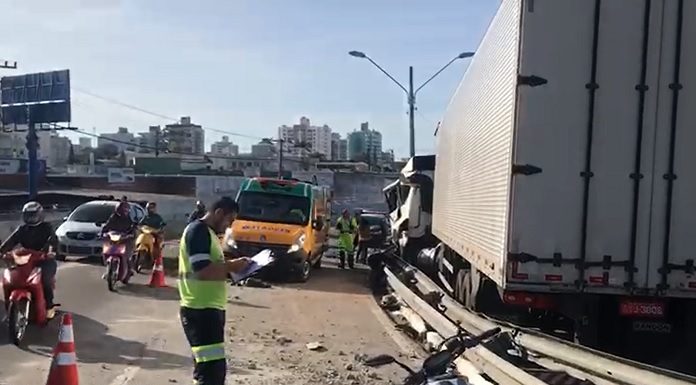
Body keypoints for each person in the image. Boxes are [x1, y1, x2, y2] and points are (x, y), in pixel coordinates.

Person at [178, 197, 250, 385]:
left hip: (208, 308)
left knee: (208, 370)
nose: (229, 226)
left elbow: (213, 270)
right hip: (200, 311)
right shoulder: (198, 232)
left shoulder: (208, 234)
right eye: (229, 220)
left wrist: (234, 270)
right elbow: (202, 271)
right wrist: (231, 266)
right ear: (219, 213)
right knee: (211, 373)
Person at [0, 201, 59, 319]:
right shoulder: (21, 229)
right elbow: (10, 242)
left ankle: (49, 305)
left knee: (46, 280)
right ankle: (9, 308)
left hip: (44, 260)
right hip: (25, 260)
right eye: (29, 215)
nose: (31, 218)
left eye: (34, 215)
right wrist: (2, 251)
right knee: (10, 278)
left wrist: (51, 252)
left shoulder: (46, 228)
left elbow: (53, 242)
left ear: (40, 215)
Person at [101, 201, 137, 281]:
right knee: (105, 251)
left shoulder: (129, 219)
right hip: (114, 239)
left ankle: (129, 269)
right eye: (121, 209)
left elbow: (133, 229)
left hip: (125, 240)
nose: (123, 211)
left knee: (127, 255)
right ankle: (108, 269)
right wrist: (103, 233)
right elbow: (106, 226)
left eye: (124, 209)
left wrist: (131, 235)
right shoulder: (113, 217)